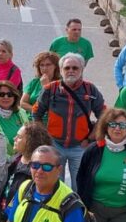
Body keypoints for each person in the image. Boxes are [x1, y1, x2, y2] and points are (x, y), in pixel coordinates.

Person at [32, 53, 104, 191]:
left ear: (82, 69)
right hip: (55, 145)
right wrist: (45, 138)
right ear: (61, 70)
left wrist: (90, 138)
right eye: (67, 68)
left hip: (80, 146)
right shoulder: (50, 89)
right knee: (53, 186)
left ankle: (76, 210)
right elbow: (36, 113)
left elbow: (103, 116)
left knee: (79, 186)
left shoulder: (90, 90)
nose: (71, 71)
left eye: (75, 68)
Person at [0, 81, 29, 157]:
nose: (6, 97)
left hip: (21, 158)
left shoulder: (22, 113)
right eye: (1, 94)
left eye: (10, 95)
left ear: (15, 97)